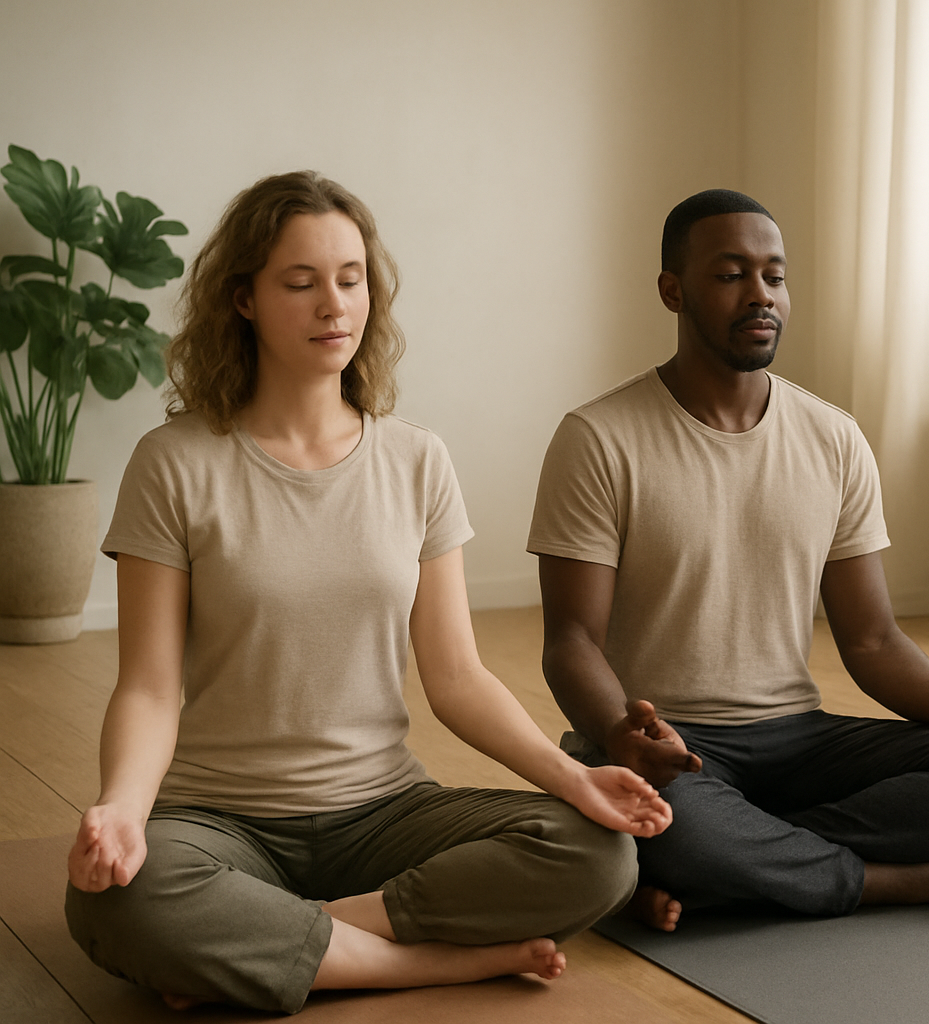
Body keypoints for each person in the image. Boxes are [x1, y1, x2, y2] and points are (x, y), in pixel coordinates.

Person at [64, 171, 671, 1014]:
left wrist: (576, 782)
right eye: (300, 283)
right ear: (243, 300)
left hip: (382, 813)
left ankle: (303, 938)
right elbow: (149, 685)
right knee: (115, 898)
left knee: (599, 854)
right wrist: (124, 812)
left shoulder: (417, 461)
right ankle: (416, 963)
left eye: (350, 280)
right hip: (218, 819)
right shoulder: (175, 464)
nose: (333, 306)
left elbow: (456, 677)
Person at [528, 188, 929, 932]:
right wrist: (620, 730)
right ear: (672, 290)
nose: (761, 295)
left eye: (774, 276)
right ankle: (892, 880)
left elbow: (873, 640)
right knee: (674, 816)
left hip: (798, 739)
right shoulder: (598, 438)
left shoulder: (834, 438)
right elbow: (571, 642)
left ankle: (739, 866)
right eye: (731, 275)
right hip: (672, 746)